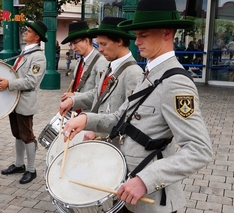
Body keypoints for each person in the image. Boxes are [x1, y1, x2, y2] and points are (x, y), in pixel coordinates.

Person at [62, 0, 213, 212]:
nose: (137, 40)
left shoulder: (176, 82)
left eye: (143, 34)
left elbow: (200, 149)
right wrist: (87, 119)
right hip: (128, 189)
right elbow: (120, 118)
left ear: (167, 33)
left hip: (151, 199)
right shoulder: (151, 73)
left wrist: (145, 179)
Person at [60, 16, 143, 142]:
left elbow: (130, 118)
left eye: (103, 44)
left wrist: (96, 130)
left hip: (114, 147)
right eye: (99, 44)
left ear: (119, 41)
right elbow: (97, 94)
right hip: (99, 142)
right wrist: (73, 100)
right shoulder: (110, 66)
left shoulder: (133, 73)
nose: (100, 49)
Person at [0, 20, 48, 184]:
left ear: (37, 36)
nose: (25, 32)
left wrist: (8, 84)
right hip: (15, 100)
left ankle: (31, 170)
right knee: (17, 133)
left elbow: (31, 81)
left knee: (27, 135)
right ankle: (19, 164)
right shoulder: (26, 52)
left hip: (25, 101)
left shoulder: (38, 57)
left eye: (29, 31)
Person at [60, 21, 108, 104]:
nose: (73, 48)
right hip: (76, 111)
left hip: (89, 114)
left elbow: (99, 92)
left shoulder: (101, 61)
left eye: (75, 43)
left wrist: (74, 97)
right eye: (71, 44)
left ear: (86, 40)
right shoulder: (80, 60)